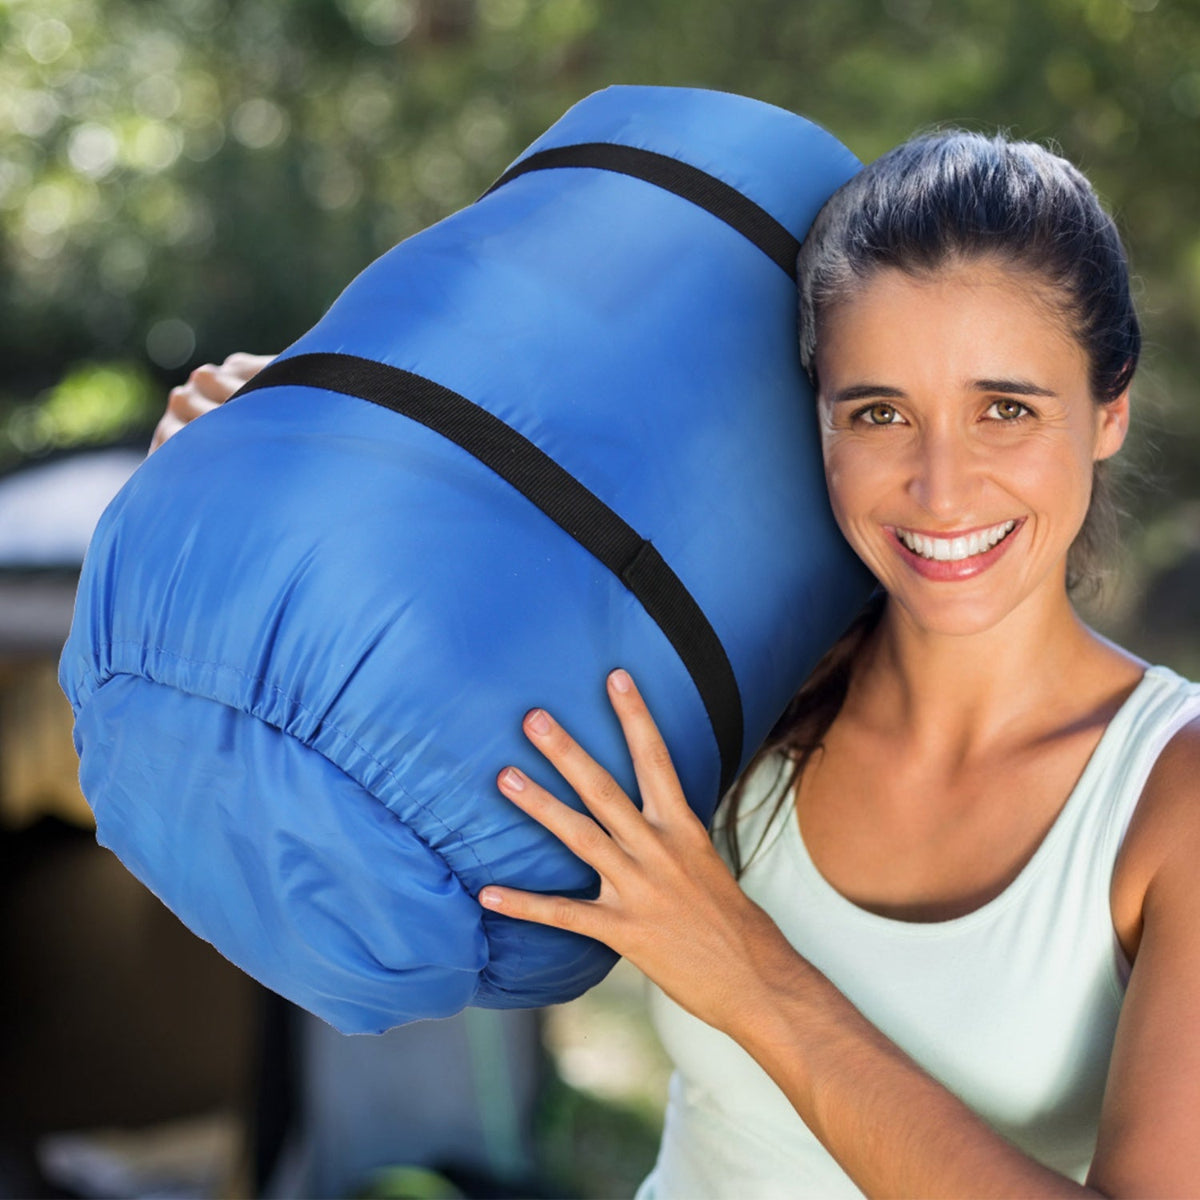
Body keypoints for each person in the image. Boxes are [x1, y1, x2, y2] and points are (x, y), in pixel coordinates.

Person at [471, 130, 1200, 1197]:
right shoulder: (748, 683)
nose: (940, 490)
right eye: (879, 412)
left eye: (1006, 409)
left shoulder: (1169, 795)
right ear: (818, 421)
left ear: (1108, 409)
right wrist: (271, 456)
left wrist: (752, 975)